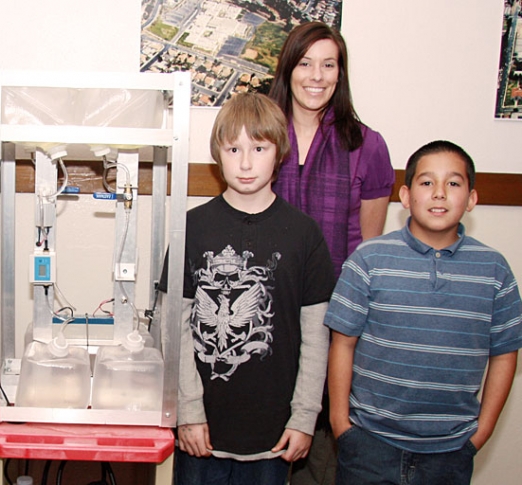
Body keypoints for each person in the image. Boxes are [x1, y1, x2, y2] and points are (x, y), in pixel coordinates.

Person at [160, 93, 336, 485]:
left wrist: (305, 417)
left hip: (273, 435)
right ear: (217, 154)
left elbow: (317, 336)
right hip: (201, 432)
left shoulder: (305, 235)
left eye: (258, 148)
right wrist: (188, 411)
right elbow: (173, 330)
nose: (244, 162)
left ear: (279, 152)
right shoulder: (190, 228)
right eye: (233, 148)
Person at [325, 141, 522, 485]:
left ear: (472, 198)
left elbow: (505, 354)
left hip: (450, 452)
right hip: (369, 445)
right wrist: (342, 426)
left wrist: (481, 433)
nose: (440, 194)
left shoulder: (495, 269)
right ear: (405, 195)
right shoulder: (368, 260)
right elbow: (342, 344)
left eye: (454, 183)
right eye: (427, 182)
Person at [267, 23, 396, 484]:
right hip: (264, 313)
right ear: (288, 68)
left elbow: (369, 255)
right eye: (305, 63)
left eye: (328, 64)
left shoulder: (366, 145)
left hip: (332, 319)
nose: (316, 76)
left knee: (320, 452)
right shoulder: (261, 136)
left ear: (340, 74)